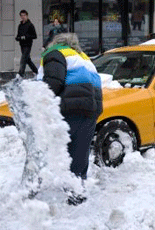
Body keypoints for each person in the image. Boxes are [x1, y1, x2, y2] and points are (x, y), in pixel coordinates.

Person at [36, 33, 102, 197]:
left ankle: (32, 191)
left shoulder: (56, 53)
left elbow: (52, 82)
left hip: (68, 109)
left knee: (43, 150)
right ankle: (76, 194)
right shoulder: (84, 58)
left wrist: (38, 103)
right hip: (90, 111)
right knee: (79, 156)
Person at [15, 10, 38, 77]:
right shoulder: (20, 25)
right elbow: (18, 35)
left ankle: (20, 74)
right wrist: (18, 38)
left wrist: (26, 37)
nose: (23, 17)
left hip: (28, 45)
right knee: (27, 60)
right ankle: (36, 71)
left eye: (24, 15)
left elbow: (35, 36)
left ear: (27, 16)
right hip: (22, 44)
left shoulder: (30, 25)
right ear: (20, 16)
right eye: (21, 15)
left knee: (23, 59)